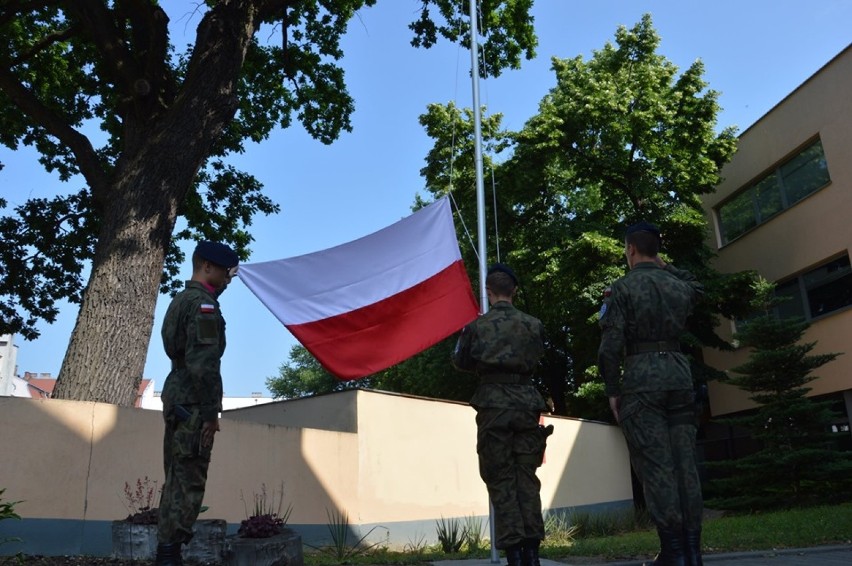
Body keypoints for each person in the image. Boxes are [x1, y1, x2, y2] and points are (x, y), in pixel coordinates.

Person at [598, 221, 704, 566]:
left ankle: (673, 553)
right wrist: (666, 266)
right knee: (685, 464)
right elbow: (698, 289)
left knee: (657, 466)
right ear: (656, 252)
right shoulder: (678, 285)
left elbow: (610, 347)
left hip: (643, 380)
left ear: (630, 249)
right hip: (678, 374)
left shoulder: (622, 289)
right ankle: (692, 552)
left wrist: (613, 390)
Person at [452, 263, 552, 566]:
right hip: (526, 405)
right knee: (526, 477)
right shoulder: (534, 325)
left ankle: (515, 554)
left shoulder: (475, 327)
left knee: (500, 478)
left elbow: (460, 361)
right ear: (514, 291)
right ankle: (532, 552)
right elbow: (539, 355)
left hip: (494, 406)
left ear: (488, 292)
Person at [156, 241, 239, 566]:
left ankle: (167, 554)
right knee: (188, 482)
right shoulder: (203, 306)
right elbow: (203, 364)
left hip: (178, 397)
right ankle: (169, 556)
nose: (229, 280)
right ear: (206, 265)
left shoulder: (180, 300)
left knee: (175, 479)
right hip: (192, 402)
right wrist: (210, 414)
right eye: (225, 272)